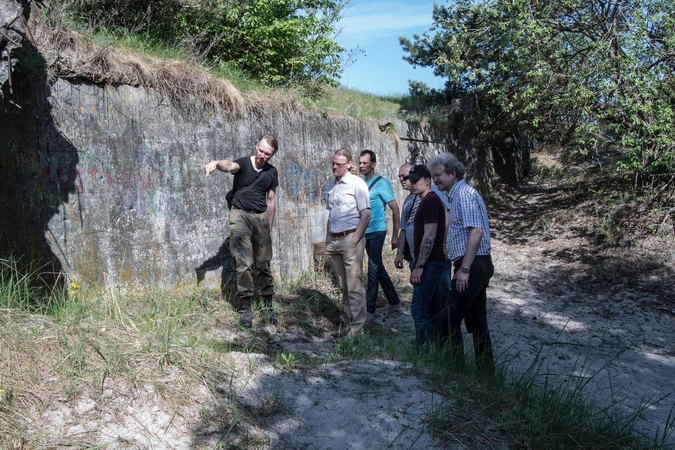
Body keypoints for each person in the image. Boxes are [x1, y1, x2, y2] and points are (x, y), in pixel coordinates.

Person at [203, 134, 279, 328]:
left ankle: (268, 305)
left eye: (267, 153)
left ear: (272, 154)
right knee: (243, 261)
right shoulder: (243, 164)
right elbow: (229, 165)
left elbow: (271, 200)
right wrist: (216, 163)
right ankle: (246, 306)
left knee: (263, 262)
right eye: (261, 150)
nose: (262, 155)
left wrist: (268, 227)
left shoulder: (271, 172)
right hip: (240, 215)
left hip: (261, 217)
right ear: (256, 146)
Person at [429, 153, 495, 372]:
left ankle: (454, 370)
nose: (435, 180)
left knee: (448, 319)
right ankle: (485, 372)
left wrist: (464, 269)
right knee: (477, 322)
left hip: (473, 265)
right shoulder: (457, 195)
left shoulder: (464, 194)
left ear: (452, 173)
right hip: (474, 264)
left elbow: (475, 232)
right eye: (433, 176)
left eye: (438, 175)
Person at [325, 149, 371, 340]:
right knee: (343, 285)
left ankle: (358, 330)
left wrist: (355, 239)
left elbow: (366, 214)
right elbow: (330, 213)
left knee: (354, 284)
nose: (335, 167)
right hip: (334, 240)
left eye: (339, 164)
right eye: (333, 163)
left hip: (350, 238)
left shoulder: (357, 183)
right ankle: (350, 323)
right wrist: (328, 237)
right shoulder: (332, 184)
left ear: (349, 165)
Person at [405, 164, 448, 347]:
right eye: (410, 180)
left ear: (427, 180)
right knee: (433, 307)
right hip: (435, 261)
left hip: (430, 262)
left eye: (416, 180)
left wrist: (419, 266)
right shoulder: (427, 200)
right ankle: (438, 348)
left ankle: (424, 351)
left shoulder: (430, 201)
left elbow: (429, 235)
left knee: (419, 308)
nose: (412, 183)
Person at [358, 150, 402, 319]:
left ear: (373, 164)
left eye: (365, 163)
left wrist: (395, 235)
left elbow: (395, 209)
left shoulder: (382, 184)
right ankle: (394, 302)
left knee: (373, 267)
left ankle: (369, 310)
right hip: (365, 231)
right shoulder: (361, 183)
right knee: (378, 266)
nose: (361, 165)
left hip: (377, 230)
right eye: (360, 162)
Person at [395, 163, 451, 272]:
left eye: (406, 176)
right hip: (415, 256)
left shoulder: (434, 194)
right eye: (400, 177)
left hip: (434, 257)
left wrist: (443, 245)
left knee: (439, 287)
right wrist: (399, 254)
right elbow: (404, 229)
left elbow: (446, 218)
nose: (403, 179)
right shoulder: (408, 201)